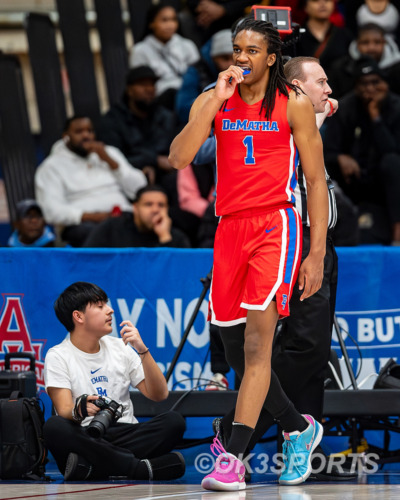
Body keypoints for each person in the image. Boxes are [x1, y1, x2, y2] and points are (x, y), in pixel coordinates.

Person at [169, 17, 329, 491]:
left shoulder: (294, 103)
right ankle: (299, 429)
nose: (241, 57)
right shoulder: (215, 98)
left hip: (275, 226)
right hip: (229, 229)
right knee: (236, 347)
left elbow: (316, 181)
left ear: (271, 57)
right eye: (237, 48)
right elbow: (178, 158)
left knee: (258, 346)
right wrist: (212, 101)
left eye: (252, 50)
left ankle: (233, 458)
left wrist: (315, 253)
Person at [43, 281, 186, 481]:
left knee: (174, 422)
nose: (110, 310)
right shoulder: (58, 355)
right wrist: (81, 408)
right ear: (78, 316)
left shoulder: (120, 347)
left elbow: (159, 394)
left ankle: (94, 468)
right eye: (100, 306)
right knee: (55, 427)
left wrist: (142, 349)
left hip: (123, 432)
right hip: (86, 434)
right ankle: (137, 468)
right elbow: (65, 409)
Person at [35, 116, 147, 247]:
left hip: (122, 216)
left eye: (90, 131)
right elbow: (51, 210)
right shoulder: (52, 166)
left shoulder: (109, 153)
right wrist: (92, 216)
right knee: (100, 234)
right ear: (66, 136)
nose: (86, 136)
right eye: (79, 132)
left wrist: (110, 162)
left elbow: (140, 189)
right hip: (83, 224)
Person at [324, 56, 400, 245]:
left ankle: (398, 231)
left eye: (375, 82)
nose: (370, 89)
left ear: (385, 83)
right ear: (356, 86)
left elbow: (393, 152)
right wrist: (340, 158)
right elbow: (326, 152)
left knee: (392, 162)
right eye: (364, 84)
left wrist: (376, 118)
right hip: (353, 180)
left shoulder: (397, 107)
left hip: (387, 184)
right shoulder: (346, 108)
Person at [129, 1, 200, 110]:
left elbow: (199, 74)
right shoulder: (140, 50)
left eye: (173, 19)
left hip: (189, 97)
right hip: (159, 103)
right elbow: (141, 84)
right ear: (151, 23)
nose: (170, 25)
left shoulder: (187, 45)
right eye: (164, 20)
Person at [83, 185, 190, 248]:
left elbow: (177, 275)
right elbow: (87, 259)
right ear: (135, 208)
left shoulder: (176, 237)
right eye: (148, 204)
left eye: (161, 205)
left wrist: (165, 237)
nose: (155, 210)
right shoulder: (111, 228)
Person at [175, 29, 234, 124]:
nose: (230, 64)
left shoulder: (244, 74)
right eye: (225, 58)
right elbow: (183, 109)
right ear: (213, 57)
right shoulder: (195, 72)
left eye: (234, 58)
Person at [327, 23, 400, 98]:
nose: (371, 48)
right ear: (357, 44)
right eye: (365, 42)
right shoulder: (340, 68)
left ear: (384, 43)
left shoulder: (397, 69)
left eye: (377, 42)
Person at [295, 0, 354, 74]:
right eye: (315, 1)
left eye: (327, 0)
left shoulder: (345, 35)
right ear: (305, 6)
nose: (322, 4)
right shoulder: (295, 37)